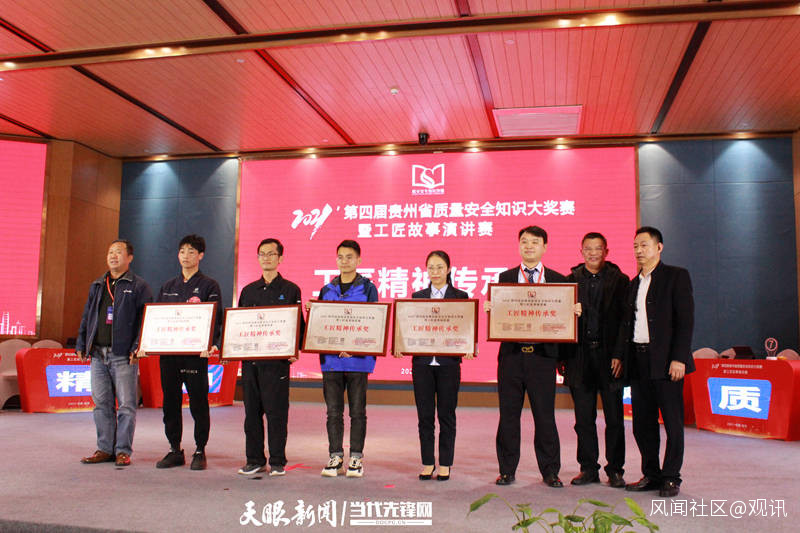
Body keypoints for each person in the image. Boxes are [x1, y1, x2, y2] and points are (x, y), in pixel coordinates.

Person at [618, 226, 694, 498]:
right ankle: (651, 474)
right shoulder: (633, 284)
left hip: (666, 362)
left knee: (672, 422)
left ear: (659, 247)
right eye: (635, 246)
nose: (639, 251)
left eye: (644, 245)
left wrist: (679, 358)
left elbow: (685, 322)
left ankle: (671, 476)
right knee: (642, 423)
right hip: (638, 361)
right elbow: (627, 325)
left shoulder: (676, 276)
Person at [492, 226, 570, 487]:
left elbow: (563, 320)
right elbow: (500, 316)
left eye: (535, 242)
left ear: (545, 247)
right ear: (518, 246)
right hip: (512, 358)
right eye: (524, 242)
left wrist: (572, 313)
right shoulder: (505, 278)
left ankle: (550, 471)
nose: (528, 246)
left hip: (542, 358)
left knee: (545, 416)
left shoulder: (559, 280)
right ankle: (507, 470)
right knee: (508, 416)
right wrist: (493, 309)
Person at [394, 250, 472, 482]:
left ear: (448, 269)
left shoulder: (460, 296)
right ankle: (428, 462)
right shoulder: (417, 296)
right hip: (422, 364)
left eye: (439, 267)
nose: (435, 272)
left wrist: (469, 345)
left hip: (449, 364)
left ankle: (445, 463)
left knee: (447, 415)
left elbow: (466, 327)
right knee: (425, 416)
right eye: (431, 267)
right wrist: (400, 344)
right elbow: (409, 327)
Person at [147, 234, 223, 471]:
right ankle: (174, 449)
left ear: (201, 255)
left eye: (191, 251)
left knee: (198, 402)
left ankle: (200, 449)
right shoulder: (168, 286)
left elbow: (215, 319)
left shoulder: (209, 285)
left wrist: (212, 344)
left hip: (195, 356)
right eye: (182, 251)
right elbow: (157, 319)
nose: (186, 256)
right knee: (170, 403)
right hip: (169, 355)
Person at [76, 239, 153, 467]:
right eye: (110, 252)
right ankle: (104, 448)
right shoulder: (98, 284)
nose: (113, 256)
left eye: (118, 252)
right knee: (101, 403)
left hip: (123, 354)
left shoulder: (139, 286)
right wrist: (82, 343)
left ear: (130, 258)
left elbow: (145, 320)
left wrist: (137, 346)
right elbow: (87, 316)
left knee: (127, 405)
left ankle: (123, 450)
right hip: (98, 354)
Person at [564, 232, 628, 488]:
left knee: (614, 419)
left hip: (609, 357)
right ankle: (588, 468)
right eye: (588, 249)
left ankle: (615, 469)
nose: (592, 253)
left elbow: (625, 321)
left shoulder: (620, 280)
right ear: (581, 251)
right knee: (583, 419)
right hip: (579, 358)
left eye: (598, 248)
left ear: (606, 252)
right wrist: (563, 358)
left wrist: (619, 354)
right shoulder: (570, 281)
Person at [236, 238, 303, 477]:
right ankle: (254, 459)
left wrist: (293, 349)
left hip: (277, 364)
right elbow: (238, 325)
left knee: (277, 413)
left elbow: (298, 325)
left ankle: (277, 461)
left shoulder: (291, 289)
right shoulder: (248, 291)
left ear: (280, 258)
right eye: (262, 254)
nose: (266, 258)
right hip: (251, 362)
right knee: (251, 414)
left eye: (271, 254)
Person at [316, 240, 378, 478]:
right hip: (332, 360)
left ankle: (356, 458)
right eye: (340, 257)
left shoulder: (368, 288)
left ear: (359, 260)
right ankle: (335, 456)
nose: (344, 261)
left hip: (357, 361)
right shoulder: (327, 290)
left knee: (357, 412)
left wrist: (353, 347)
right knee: (333, 412)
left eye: (349, 257)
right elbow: (321, 325)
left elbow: (374, 323)